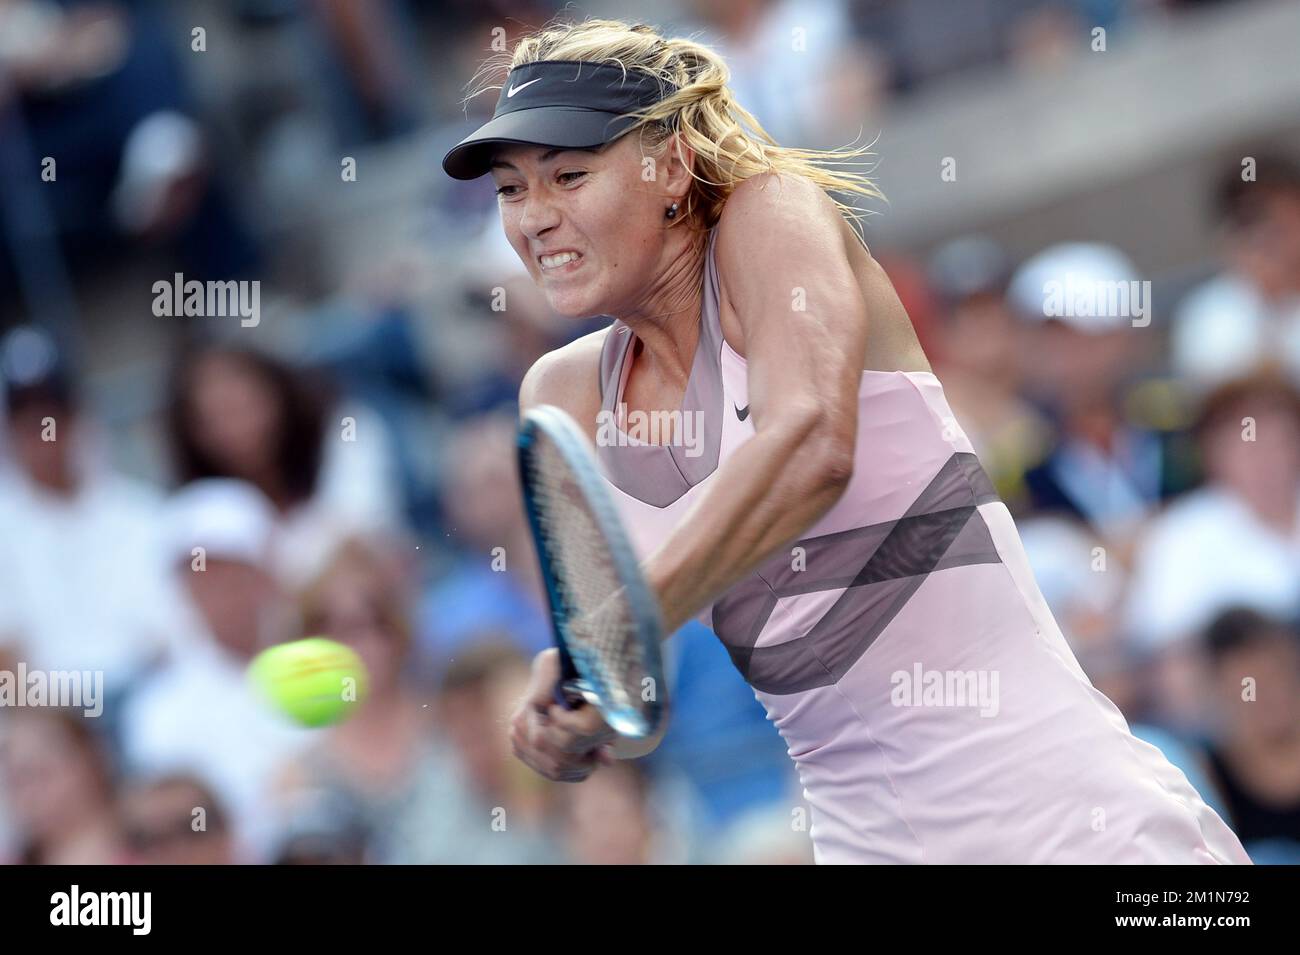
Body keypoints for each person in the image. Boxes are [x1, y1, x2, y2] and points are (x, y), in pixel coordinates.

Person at [442, 17, 1250, 864]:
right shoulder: (560, 394)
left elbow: (813, 446)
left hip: (1079, 823)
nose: (534, 217)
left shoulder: (771, 214)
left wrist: (616, 627)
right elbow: (639, 708)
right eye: (510, 190)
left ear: (672, 166)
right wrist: (581, 707)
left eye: (568, 175)